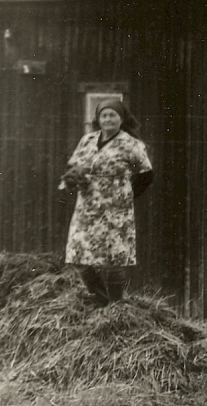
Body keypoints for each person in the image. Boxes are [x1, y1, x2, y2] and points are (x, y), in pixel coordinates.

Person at [60, 99, 153, 305]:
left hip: (116, 210)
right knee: (77, 255)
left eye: (113, 115)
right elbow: (72, 166)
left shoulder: (131, 144)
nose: (108, 119)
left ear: (121, 119)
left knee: (114, 257)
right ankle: (101, 299)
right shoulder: (87, 140)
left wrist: (127, 197)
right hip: (86, 208)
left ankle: (116, 305)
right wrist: (73, 179)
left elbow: (146, 175)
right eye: (104, 115)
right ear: (98, 119)